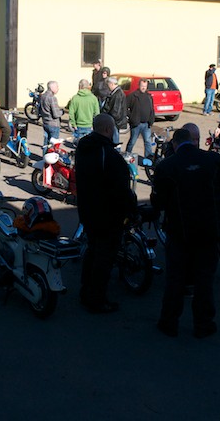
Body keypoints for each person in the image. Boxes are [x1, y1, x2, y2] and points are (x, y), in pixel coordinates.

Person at [151, 127, 220, 338]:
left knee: (176, 278)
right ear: (193, 140)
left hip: (180, 231)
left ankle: (169, 322)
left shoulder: (166, 166)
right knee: (204, 279)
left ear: (174, 144)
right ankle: (204, 324)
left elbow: (158, 202)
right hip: (208, 229)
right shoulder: (213, 160)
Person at [76, 114, 136, 313]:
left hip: (88, 211)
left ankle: (86, 291)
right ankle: (97, 299)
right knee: (104, 258)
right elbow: (121, 190)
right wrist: (130, 210)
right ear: (109, 130)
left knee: (93, 251)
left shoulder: (84, 147)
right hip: (107, 216)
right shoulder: (109, 155)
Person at [125, 79, 155, 159]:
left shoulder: (149, 96)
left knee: (148, 142)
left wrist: (151, 120)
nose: (143, 88)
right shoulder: (133, 96)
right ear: (139, 85)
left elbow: (152, 109)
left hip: (146, 124)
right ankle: (127, 156)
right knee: (132, 141)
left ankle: (148, 158)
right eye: (142, 86)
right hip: (136, 124)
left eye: (145, 86)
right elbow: (124, 107)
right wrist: (131, 117)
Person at [101, 76, 127, 144]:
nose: (108, 86)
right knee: (113, 139)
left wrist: (110, 119)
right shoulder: (115, 93)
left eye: (108, 84)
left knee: (114, 140)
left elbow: (116, 111)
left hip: (115, 121)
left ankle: (115, 150)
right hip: (115, 121)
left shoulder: (117, 94)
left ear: (111, 84)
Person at [39, 80, 63, 147]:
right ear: (52, 88)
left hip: (45, 122)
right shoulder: (52, 98)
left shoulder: (42, 96)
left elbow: (39, 110)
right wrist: (62, 112)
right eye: (57, 87)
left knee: (46, 144)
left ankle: (45, 154)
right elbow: (56, 114)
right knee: (53, 145)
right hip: (53, 124)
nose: (58, 88)